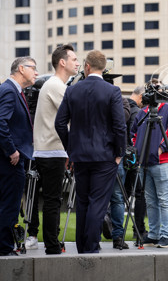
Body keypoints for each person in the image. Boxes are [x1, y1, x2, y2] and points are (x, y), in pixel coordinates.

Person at [54, 50, 126, 254]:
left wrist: (71, 147)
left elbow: (59, 123)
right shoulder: (112, 91)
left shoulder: (72, 91)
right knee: (98, 202)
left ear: (87, 66)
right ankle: (91, 246)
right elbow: (120, 126)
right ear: (103, 68)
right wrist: (119, 152)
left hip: (80, 156)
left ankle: (82, 247)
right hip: (105, 156)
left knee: (83, 201)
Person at [30, 44, 79, 254]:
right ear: (62, 62)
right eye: (74, 59)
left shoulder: (55, 85)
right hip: (51, 151)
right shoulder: (56, 86)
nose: (77, 63)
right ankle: (51, 245)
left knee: (51, 199)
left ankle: (52, 242)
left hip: (50, 150)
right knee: (52, 200)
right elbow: (75, 115)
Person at [0, 56, 38, 256]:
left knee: (3, 202)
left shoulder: (10, 90)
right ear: (21, 68)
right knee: (9, 204)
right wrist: (12, 150)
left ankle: (0, 246)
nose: (36, 72)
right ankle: (3, 247)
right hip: (8, 158)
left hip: (5, 157)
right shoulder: (9, 90)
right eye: (33, 68)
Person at [132, 79, 168, 248]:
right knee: (150, 200)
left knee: (165, 200)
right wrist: (136, 150)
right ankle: (153, 234)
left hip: (163, 162)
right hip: (144, 163)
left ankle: (165, 235)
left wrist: (161, 149)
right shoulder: (143, 111)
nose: (154, 91)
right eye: (151, 88)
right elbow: (133, 133)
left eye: (157, 88)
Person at [107, 86, 146, 249]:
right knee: (119, 196)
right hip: (120, 157)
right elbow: (130, 134)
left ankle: (106, 231)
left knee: (115, 195)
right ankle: (120, 235)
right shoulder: (132, 109)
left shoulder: (121, 104)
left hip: (114, 155)